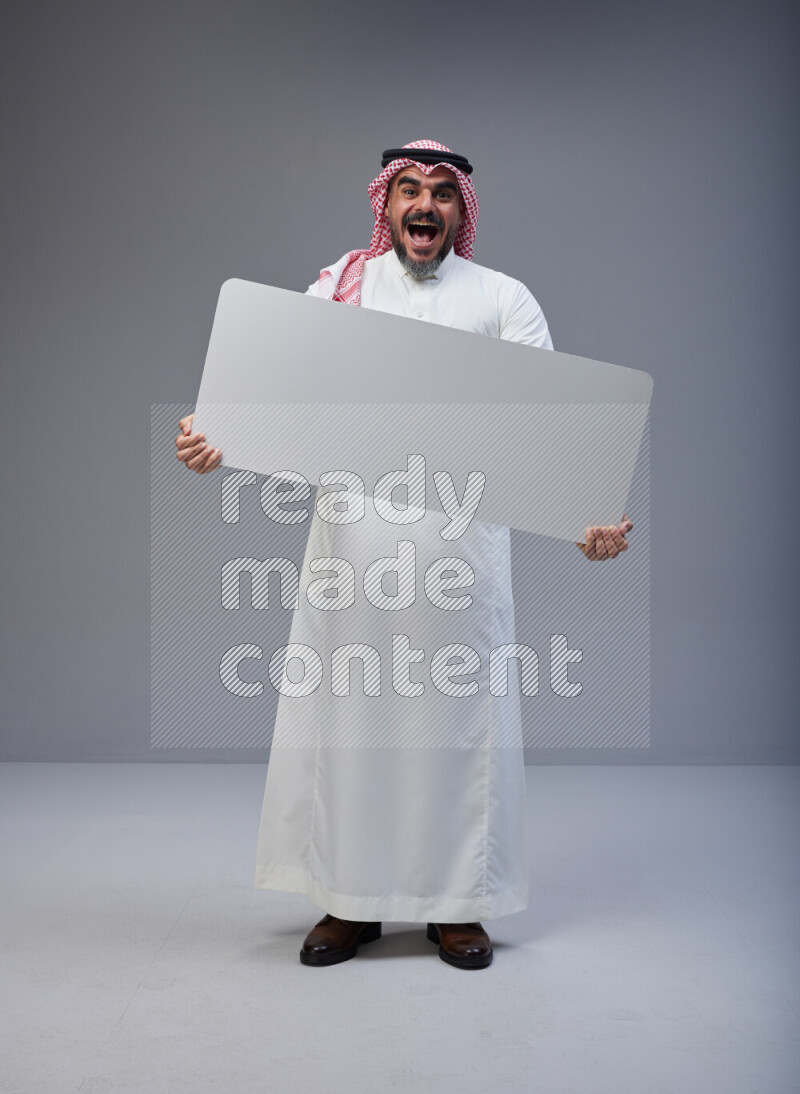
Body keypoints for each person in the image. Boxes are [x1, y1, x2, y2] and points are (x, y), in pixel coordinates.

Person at [176, 140, 633, 970]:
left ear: (462, 212)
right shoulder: (338, 289)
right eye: (410, 191)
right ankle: (348, 902)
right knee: (351, 727)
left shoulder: (505, 300)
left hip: (460, 558)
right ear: (386, 205)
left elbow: (552, 428)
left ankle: (457, 907)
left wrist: (585, 519)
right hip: (353, 552)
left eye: (442, 195)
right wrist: (220, 440)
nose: (425, 206)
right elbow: (278, 385)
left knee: (454, 730)